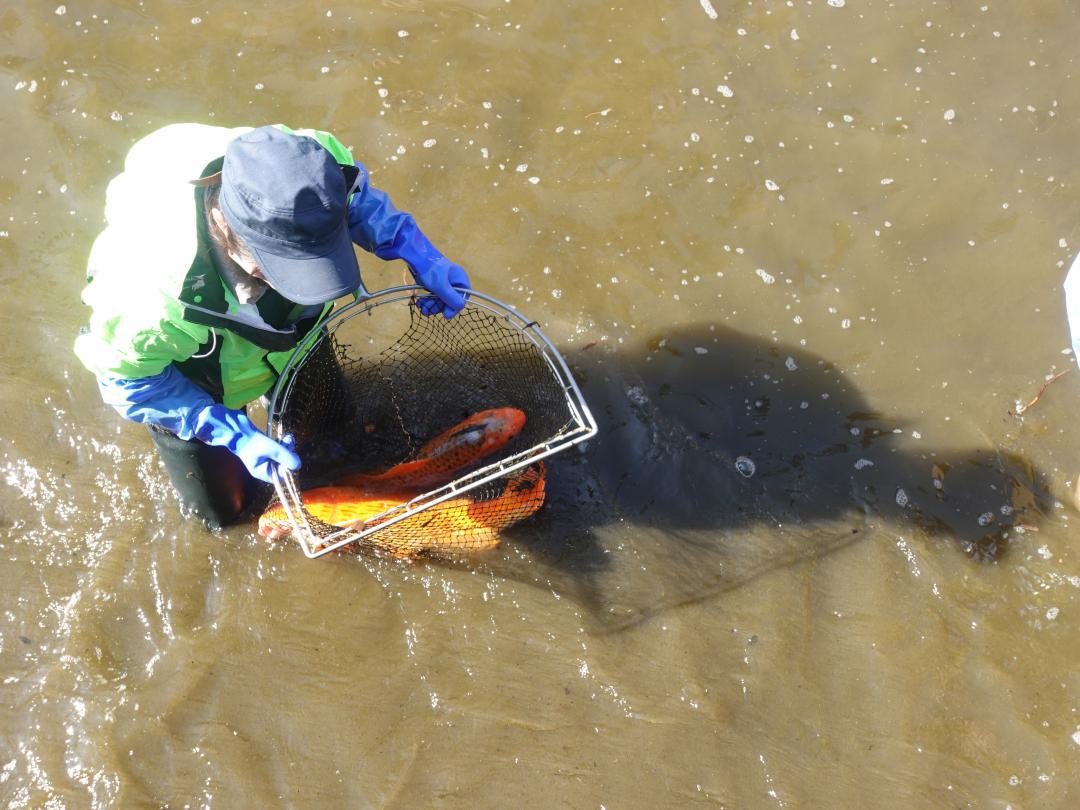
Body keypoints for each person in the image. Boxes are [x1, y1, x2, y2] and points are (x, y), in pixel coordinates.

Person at [74, 123, 471, 529]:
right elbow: (128, 381)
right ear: (227, 230)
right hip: (197, 373)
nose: (311, 286)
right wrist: (230, 432)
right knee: (226, 515)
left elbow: (355, 201)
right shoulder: (146, 302)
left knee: (338, 447)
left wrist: (416, 251)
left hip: (295, 337)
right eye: (289, 269)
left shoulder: (311, 162)